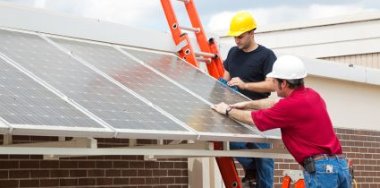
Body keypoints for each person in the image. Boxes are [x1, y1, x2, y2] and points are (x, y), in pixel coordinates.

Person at [212, 55, 352, 188]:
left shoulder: (290, 106)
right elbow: (274, 103)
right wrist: (247, 104)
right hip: (340, 167)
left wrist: (227, 110)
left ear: (283, 83)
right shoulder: (312, 95)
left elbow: (253, 119)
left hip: (322, 171)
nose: (272, 84)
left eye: (274, 81)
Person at [222, 11, 276, 188]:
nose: (237, 40)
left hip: (258, 111)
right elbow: (225, 77)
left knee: (264, 160)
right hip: (237, 110)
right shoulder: (233, 53)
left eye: (240, 36)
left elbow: (272, 85)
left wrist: (245, 85)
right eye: (235, 37)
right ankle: (251, 170)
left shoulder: (266, 55)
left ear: (252, 33)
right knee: (234, 144)